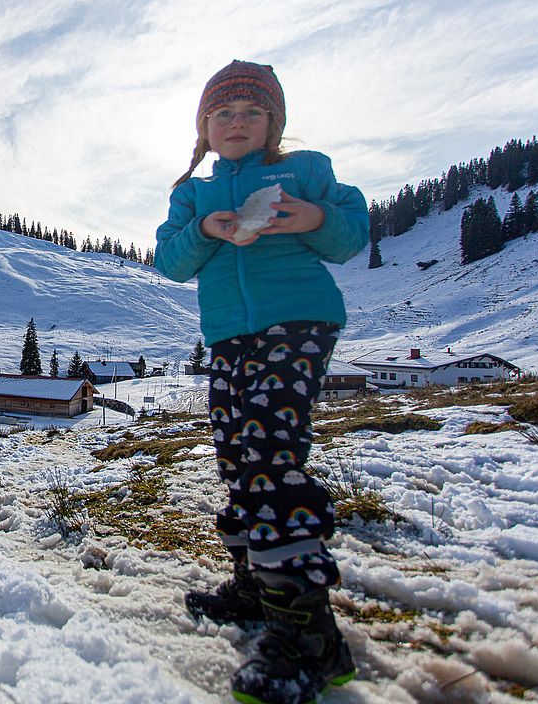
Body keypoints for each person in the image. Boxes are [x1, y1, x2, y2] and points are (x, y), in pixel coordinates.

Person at [154, 60, 368, 704]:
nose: (237, 122)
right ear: (205, 127)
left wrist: (311, 218)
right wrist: (206, 230)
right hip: (227, 334)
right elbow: (169, 259)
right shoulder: (195, 193)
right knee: (237, 455)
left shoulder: (306, 172)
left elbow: (350, 233)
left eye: (252, 111)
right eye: (223, 113)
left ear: (274, 120)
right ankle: (255, 584)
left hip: (298, 320)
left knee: (271, 453)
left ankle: (309, 635)